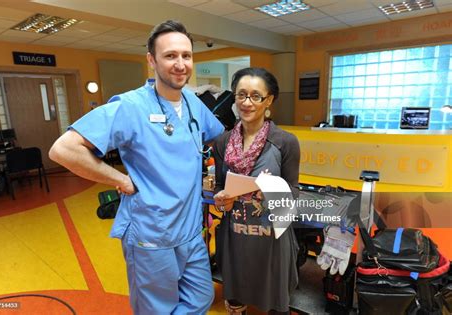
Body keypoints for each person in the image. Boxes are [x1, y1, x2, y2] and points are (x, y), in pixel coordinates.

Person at [49, 20, 224, 314]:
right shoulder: (131, 106)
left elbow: (221, 140)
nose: (180, 64)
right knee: (157, 308)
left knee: (201, 299)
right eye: (170, 56)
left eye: (186, 55)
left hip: (191, 231)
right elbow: (63, 149)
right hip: (151, 234)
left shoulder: (194, 104)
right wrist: (120, 179)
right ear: (151, 60)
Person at [213, 68, 300, 315]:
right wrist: (222, 200)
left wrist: (269, 190)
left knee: (275, 298)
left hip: (272, 235)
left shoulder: (285, 142)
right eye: (241, 95)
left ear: (269, 100)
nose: (246, 103)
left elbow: (293, 192)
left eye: (255, 96)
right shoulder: (223, 142)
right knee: (236, 295)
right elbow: (220, 185)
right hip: (236, 234)